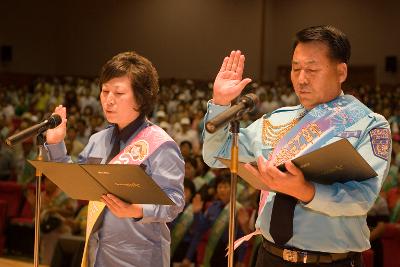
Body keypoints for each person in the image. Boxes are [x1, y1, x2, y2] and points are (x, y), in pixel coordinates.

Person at [202, 25, 392, 266]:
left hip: (330, 261)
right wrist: (220, 102)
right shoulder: (277, 119)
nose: (301, 79)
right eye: (296, 68)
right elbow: (215, 154)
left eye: (312, 69)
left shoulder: (369, 124)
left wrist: (304, 190)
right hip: (270, 256)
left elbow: (362, 197)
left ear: (341, 72)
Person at [45, 51, 185, 267]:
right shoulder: (97, 140)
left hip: (140, 257)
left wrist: (136, 210)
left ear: (141, 97)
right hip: (97, 253)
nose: (108, 100)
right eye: (105, 91)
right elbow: (76, 182)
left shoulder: (161, 145)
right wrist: (55, 144)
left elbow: (175, 202)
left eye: (118, 93)